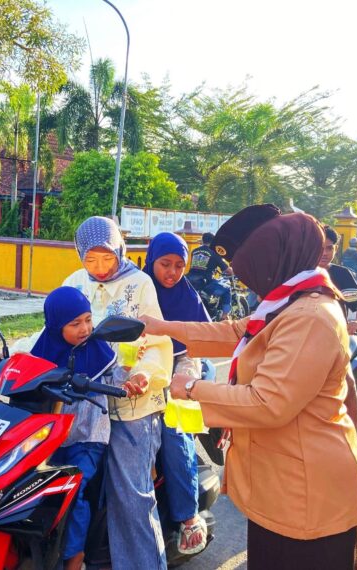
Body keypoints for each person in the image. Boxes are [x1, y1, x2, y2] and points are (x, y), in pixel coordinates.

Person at [142, 205, 357, 570]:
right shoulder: (288, 301)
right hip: (284, 486)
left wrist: (191, 387)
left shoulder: (309, 316)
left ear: (277, 262)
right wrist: (162, 327)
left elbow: (267, 403)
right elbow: (236, 332)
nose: (249, 284)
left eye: (254, 273)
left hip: (307, 496)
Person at [0, 286, 117, 570]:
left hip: (87, 436)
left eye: (88, 320)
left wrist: (137, 379)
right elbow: (19, 353)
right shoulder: (44, 341)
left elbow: (121, 372)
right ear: (55, 325)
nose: (85, 329)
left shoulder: (100, 349)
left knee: (73, 489)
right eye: (75, 323)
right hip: (49, 434)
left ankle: (74, 556)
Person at [65, 216, 173, 570]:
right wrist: (7, 356)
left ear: (119, 251)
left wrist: (143, 373)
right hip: (86, 403)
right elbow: (52, 331)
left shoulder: (139, 284)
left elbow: (157, 340)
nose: (99, 267)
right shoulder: (74, 282)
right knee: (76, 489)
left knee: (131, 498)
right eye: (91, 259)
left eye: (107, 257)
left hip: (133, 405)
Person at [144, 232, 210, 556]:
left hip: (182, 366)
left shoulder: (188, 297)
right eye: (165, 264)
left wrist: (181, 379)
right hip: (141, 368)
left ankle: (188, 517)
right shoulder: (138, 289)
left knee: (174, 427)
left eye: (179, 265)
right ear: (151, 261)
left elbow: (198, 345)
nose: (172, 272)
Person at [321, 226, 357, 335]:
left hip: (336, 335)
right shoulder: (297, 274)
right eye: (320, 248)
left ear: (336, 249)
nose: (324, 253)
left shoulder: (342, 274)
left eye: (329, 248)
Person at [187, 232, 232, 320]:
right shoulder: (214, 253)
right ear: (213, 242)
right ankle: (224, 316)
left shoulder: (194, 251)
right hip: (206, 284)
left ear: (203, 240)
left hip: (190, 282)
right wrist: (234, 271)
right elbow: (228, 270)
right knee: (227, 288)